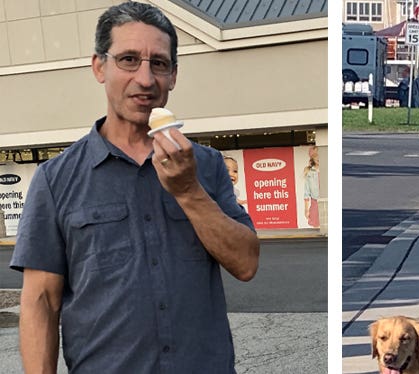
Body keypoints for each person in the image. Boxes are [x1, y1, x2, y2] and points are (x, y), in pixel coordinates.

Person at [10, 3, 260, 373]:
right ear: (99, 66)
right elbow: (41, 303)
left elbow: (246, 264)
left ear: (173, 75)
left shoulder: (205, 166)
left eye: (158, 63)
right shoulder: (55, 179)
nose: (145, 79)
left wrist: (189, 191)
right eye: (128, 60)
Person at [303, 146, 320, 228]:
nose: (318, 157)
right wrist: (306, 209)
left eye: (319, 155)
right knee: (317, 229)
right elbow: (306, 192)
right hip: (315, 202)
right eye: (315, 156)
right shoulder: (309, 172)